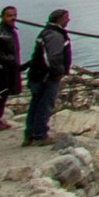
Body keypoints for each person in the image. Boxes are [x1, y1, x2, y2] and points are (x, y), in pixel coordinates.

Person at [22, 9, 72, 147]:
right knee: (45, 105)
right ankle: (40, 135)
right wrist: (59, 73)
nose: (69, 20)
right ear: (59, 19)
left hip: (37, 74)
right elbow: (53, 58)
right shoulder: (55, 36)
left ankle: (29, 134)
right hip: (47, 77)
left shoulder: (45, 33)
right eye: (66, 17)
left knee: (35, 104)